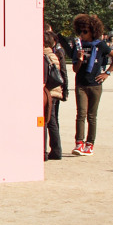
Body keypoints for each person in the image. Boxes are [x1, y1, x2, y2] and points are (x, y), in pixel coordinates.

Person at [70, 13, 113, 157]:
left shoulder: (100, 45)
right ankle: (79, 142)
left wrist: (107, 73)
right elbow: (75, 69)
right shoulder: (78, 46)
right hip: (81, 83)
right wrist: (79, 59)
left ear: (93, 31)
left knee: (92, 116)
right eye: (80, 31)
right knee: (80, 114)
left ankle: (90, 144)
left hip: (95, 84)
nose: (82, 34)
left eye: (85, 31)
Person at [43, 27, 67, 161]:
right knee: (52, 121)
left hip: (48, 92)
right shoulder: (54, 55)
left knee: (47, 121)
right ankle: (56, 150)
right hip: (56, 92)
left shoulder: (44, 56)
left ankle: (45, 151)